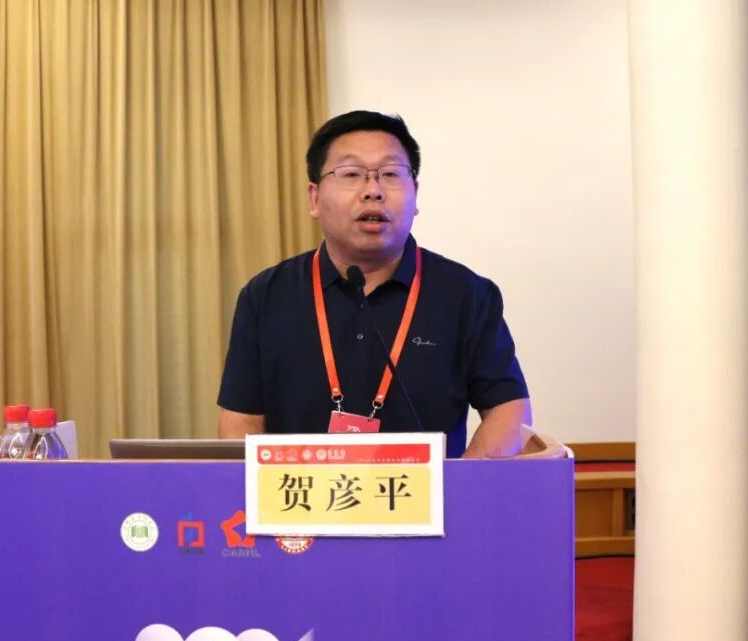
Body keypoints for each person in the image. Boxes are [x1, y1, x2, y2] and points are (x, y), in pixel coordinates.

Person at [217, 110, 531, 458]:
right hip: (299, 492)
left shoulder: (466, 295)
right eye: (351, 174)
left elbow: (509, 410)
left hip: (426, 494)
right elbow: (241, 421)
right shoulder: (266, 296)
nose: (373, 191)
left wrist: (460, 482)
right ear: (314, 198)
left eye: (390, 174)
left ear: (415, 194)